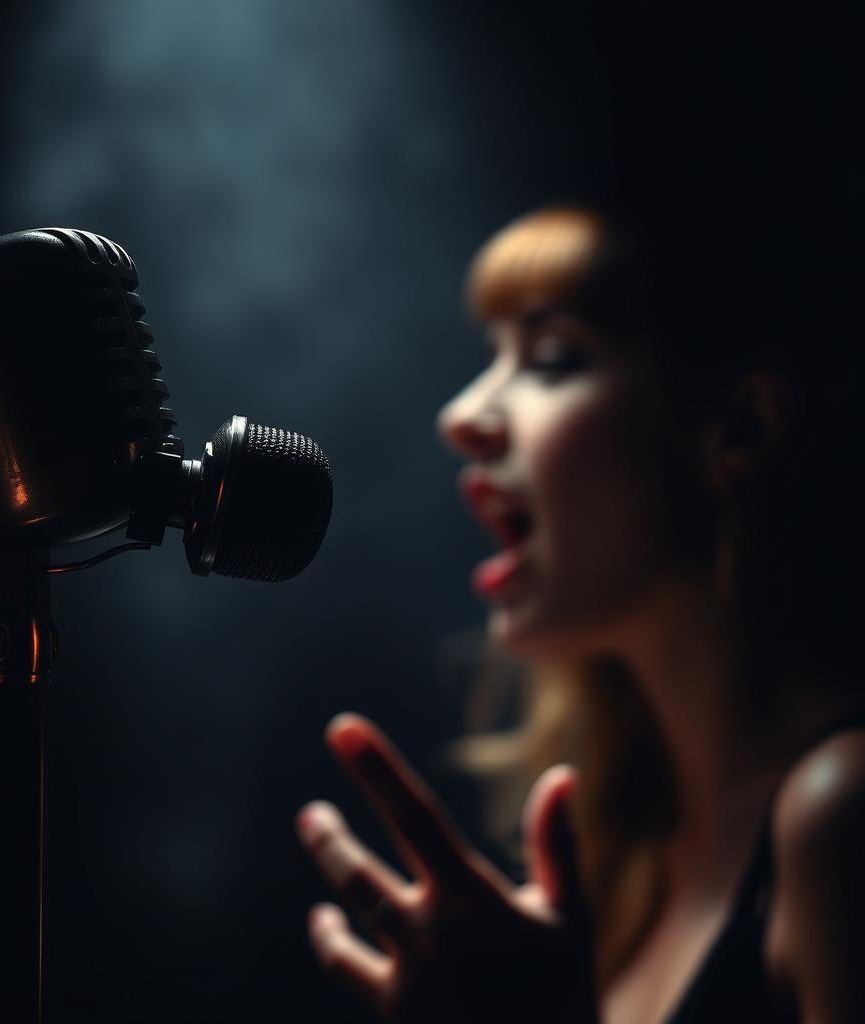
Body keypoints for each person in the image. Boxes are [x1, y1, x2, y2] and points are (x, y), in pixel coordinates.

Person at [294, 203, 865, 1022]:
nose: (461, 417)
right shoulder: (629, 856)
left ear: (739, 428)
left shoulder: (840, 816)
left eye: (553, 359)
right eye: (495, 355)